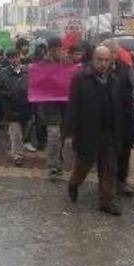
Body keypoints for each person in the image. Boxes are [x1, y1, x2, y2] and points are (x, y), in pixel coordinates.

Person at [64, 46, 123, 216]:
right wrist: (70, 133)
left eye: (106, 60)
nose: (103, 64)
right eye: (100, 60)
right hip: (88, 131)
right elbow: (73, 106)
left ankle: (106, 201)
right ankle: (74, 184)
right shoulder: (81, 78)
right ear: (93, 59)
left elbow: (119, 106)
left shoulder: (114, 79)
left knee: (109, 168)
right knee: (83, 165)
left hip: (109, 131)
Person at [102, 39, 134, 197]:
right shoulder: (98, 70)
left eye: (116, 51)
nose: (114, 55)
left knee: (124, 151)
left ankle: (121, 180)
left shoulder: (125, 67)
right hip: (107, 118)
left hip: (125, 116)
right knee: (108, 153)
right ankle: (107, 183)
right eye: (111, 51)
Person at [40, 38, 71, 181]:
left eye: (59, 49)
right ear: (49, 50)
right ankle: (52, 166)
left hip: (66, 105)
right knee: (54, 135)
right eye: (54, 50)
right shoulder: (43, 64)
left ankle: (59, 162)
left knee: (63, 137)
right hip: (50, 105)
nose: (57, 52)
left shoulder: (67, 62)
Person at [0, 49, 31, 166]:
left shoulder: (28, 71)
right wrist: (9, 95)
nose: (15, 59)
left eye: (16, 57)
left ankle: (19, 148)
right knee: (16, 132)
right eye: (12, 57)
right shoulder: (3, 73)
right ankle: (17, 155)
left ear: (20, 57)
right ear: (8, 59)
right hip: (12, 108)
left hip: (27, 106)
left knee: (25, 130)